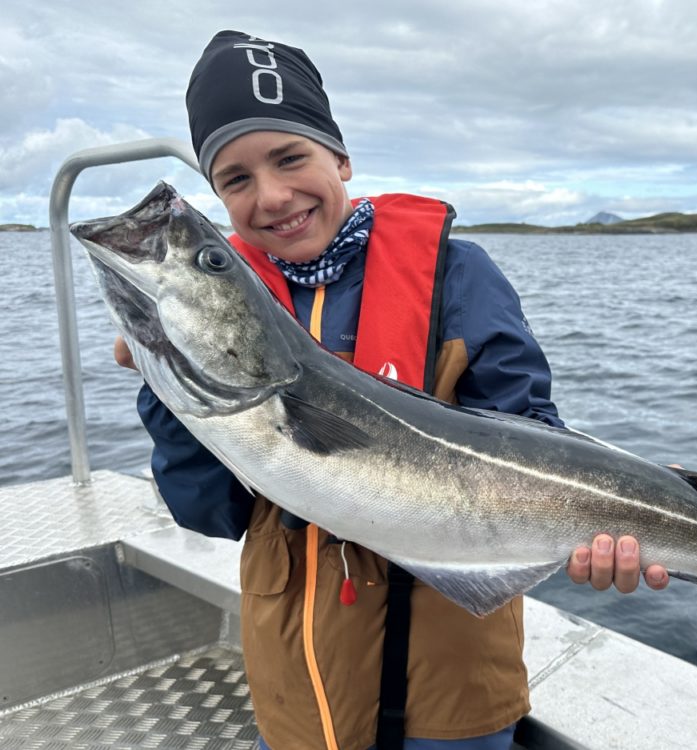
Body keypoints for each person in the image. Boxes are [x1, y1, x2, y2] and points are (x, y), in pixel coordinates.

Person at [117, 30, 668, 750]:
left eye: (291, 158)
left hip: (455, 689)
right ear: (218, 196)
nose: (273, 195)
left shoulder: (458, 277)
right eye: (237, 179)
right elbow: (210, 513)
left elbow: (530, 435)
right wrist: (170, 386)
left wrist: (610, 519)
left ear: (340, 157)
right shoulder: (225, 310)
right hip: (299, 691)